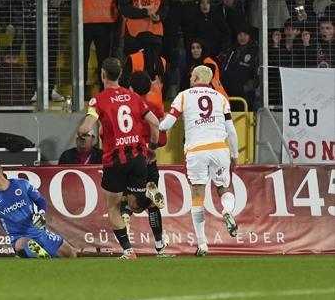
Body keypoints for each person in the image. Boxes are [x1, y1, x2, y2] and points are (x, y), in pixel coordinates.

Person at [77, 57, 161, 259]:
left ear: (102, 75)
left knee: (113, 206)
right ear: (121, 75)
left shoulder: (98, 100)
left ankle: (128, 251)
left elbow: (86, 128)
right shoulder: (134, 97)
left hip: (115, 161)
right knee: (135, 204)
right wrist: (152, 148)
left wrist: (81, 131)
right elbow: (155, 123)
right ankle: (148, 201)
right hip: (138, 157)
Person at [159, 65, 240, 256]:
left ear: (195, 78)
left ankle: (202, 243)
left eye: (191, 76)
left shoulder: (184, 96)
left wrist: (155, 125)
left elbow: (167, 124)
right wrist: (235, 155)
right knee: (224, 188)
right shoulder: (221, 98)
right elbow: (231, 130)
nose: (190, 78)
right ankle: (227, 210)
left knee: (197, 194)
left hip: (196, 150)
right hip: (219, 148)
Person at [0, 162, 78, 259]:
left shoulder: (22, 184)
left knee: (72, 254)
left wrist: (41, 213)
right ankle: (37, 257)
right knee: (23, 245)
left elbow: (41, 201)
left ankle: (39, 257)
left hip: (41, 233)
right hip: (19, 238)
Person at [127, 71, 171, 257]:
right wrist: (151, 148)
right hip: (149, 157)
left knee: (125, 200)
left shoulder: (125, 106)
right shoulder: (155, 106)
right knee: (152, 204)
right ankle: (159, 245)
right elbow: (162, 139)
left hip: (128, 156)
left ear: (130, 88)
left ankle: (126, 243)